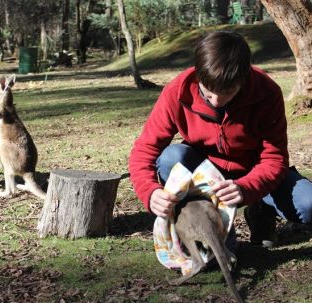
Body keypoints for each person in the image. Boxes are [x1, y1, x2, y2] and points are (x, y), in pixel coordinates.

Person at [128, 30, 312, 248]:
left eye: (227, 93)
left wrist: (246, 188)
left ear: (243, 79)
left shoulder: (267, 92)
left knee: (308, 204)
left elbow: (275, 159)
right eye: (208, 94)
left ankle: (261, 211)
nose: (216, 102)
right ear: (198, 76)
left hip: (254, 173)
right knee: (171, 158)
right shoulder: (177, 91)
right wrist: (150, 192)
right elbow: (144, 151)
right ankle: (211, 226)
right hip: (205, 175)